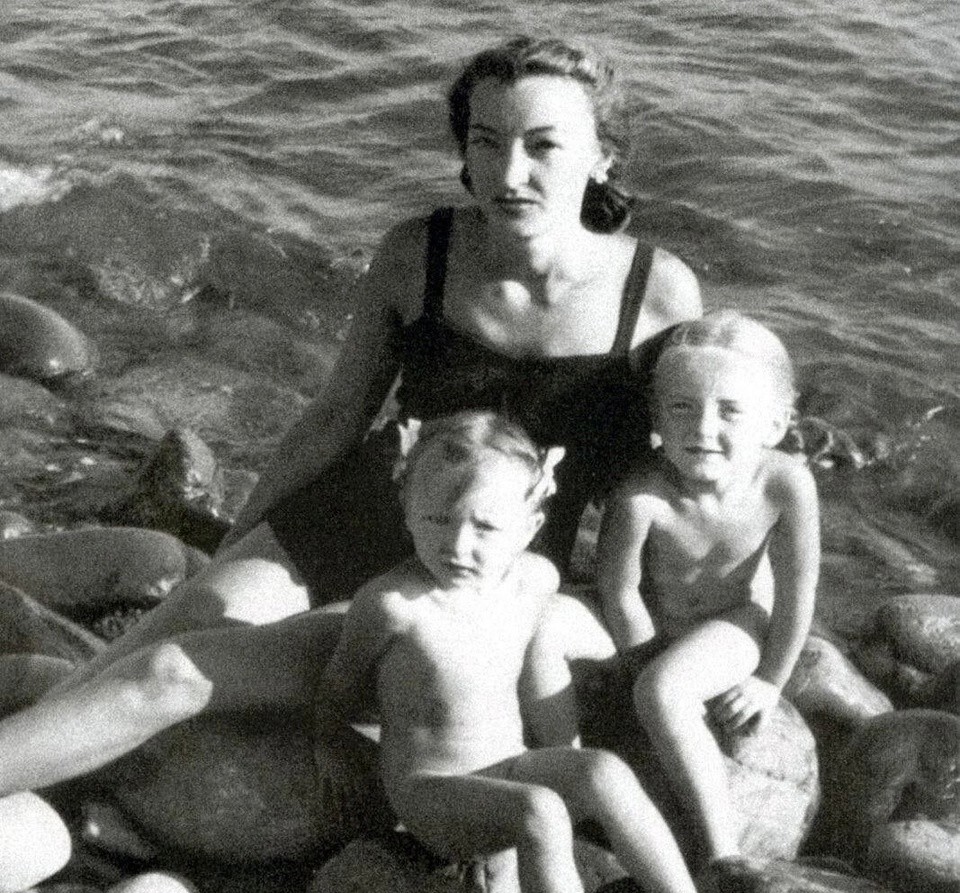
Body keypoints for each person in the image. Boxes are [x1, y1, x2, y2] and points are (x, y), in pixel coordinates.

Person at [0, 35, 702, 804]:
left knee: (168, 676)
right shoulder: (420, 253)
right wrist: (239, 543)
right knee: (173, 627)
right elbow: (335, 418)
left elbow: (682, 474)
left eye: (543, 146)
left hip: (477, 562)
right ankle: (36, 764)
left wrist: (698, 633)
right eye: (487, 141)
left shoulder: (657, 295)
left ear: (603, 156)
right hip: (355, 510)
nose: (508, 174)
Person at [314, 411, 758, 893]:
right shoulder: (394, 605)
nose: (458, 545)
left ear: (530, 524)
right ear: (405, 508)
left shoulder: (534, 581)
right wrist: (332, 745)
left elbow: (535, 662)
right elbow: (339, 683)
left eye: (485, 528)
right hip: (432, 794)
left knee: (603, 770)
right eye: (436, 520)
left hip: (508, 763)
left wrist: (572, 737)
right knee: (541, 810)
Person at [596, 311, 821, 864]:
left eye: (730, 411)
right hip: (650, 624)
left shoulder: (785, 484)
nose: (702, 428)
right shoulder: (641, 497)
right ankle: (575, 773)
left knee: (664, 692)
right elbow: (620, 592)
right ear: (656, 418)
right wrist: (642, 660)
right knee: (561, 628)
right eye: (682, 407)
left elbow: (797, 593)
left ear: (774, 425)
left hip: (733, 622)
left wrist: (770, 682)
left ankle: (723, 854)